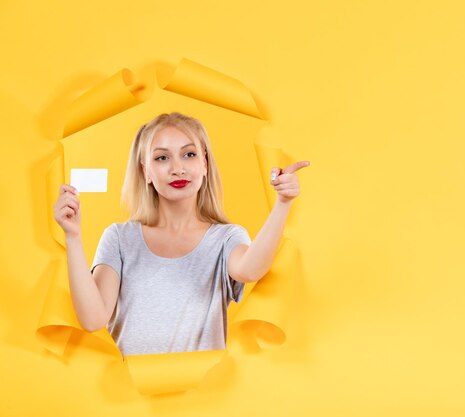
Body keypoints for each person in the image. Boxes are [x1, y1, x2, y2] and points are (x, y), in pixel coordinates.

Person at [53, 112, 309, 356]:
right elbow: (93, 318)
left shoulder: (226, 238)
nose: (178, 168)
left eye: (189, 154)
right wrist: (73, 237)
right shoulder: (119, 238)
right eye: (162, 158)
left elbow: (249, 270)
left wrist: (283, 203)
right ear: (146, 172)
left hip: (204, 396)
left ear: (205, 164)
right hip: (133, 396)